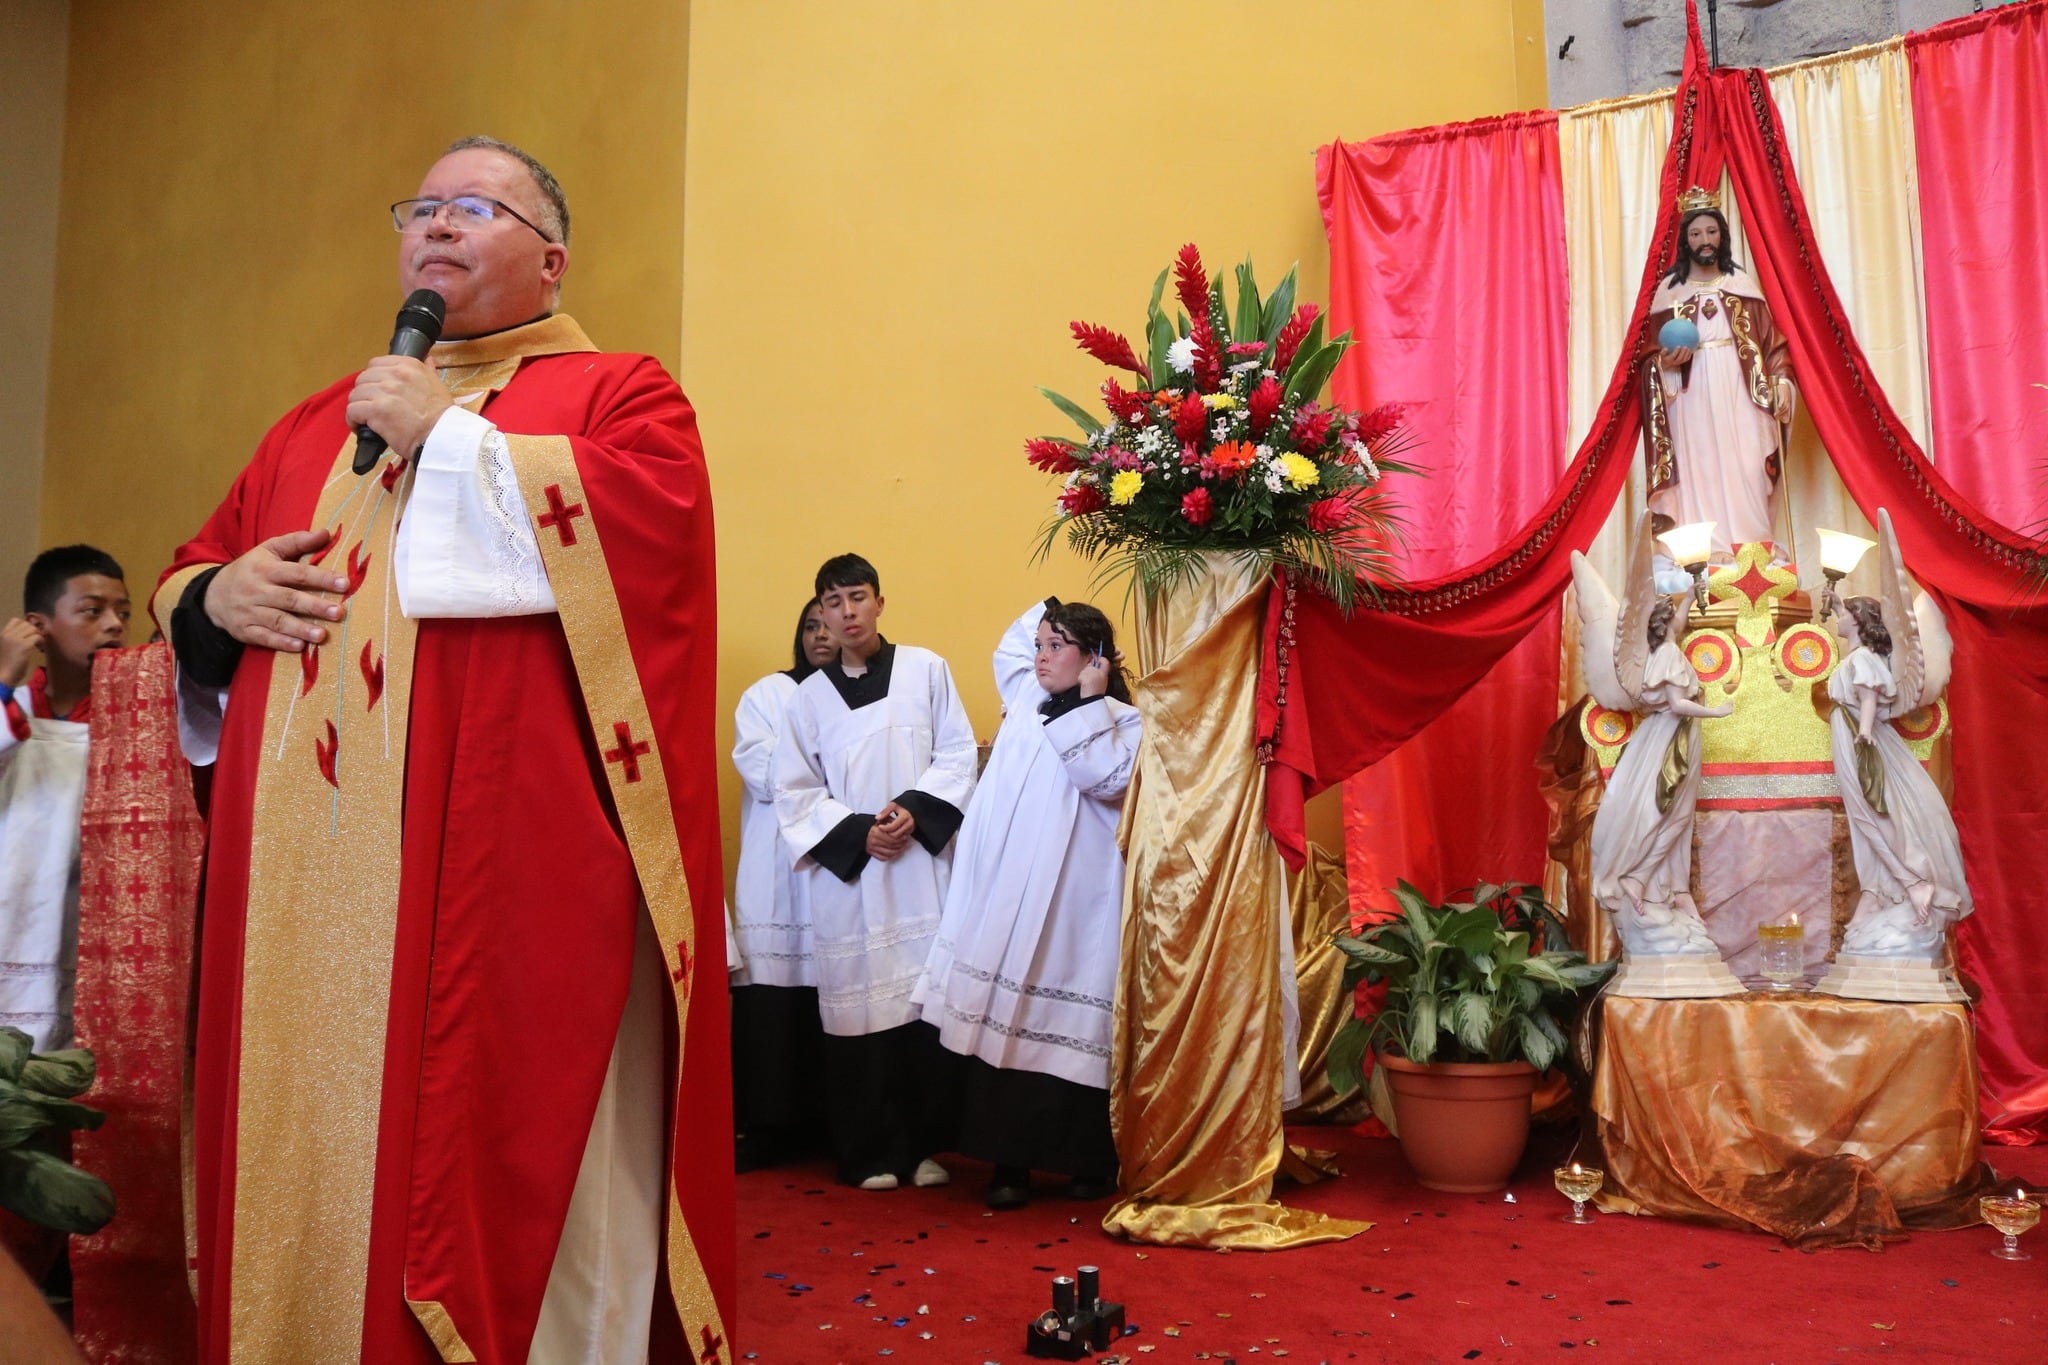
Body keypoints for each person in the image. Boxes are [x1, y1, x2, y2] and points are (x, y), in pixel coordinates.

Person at [153, 137, 729, 1364]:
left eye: (476, 206)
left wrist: (456, 440)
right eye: (421, 208)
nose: (438, 228)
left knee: (482, 1162)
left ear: (551, 258)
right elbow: (189, 575)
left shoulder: (619, 393)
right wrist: (213, 602)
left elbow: (658, 537)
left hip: (499, 880)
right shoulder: (312, 422)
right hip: (298, 903)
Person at [914, 598, 1139, 1209]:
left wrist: (1092, 698)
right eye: (1039, 646)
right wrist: (1053, 614)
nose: (1040, 657)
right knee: (1007, 1025)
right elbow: (1014, 638)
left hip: (1079, 904)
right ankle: (1008, 1164)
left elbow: (1106, 780)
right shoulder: (1024, 705)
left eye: (1057, 646)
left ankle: (1088, 1163)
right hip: (1015, 893)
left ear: (1094, 658)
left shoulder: (1124, 720)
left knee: (1074, 1028)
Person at [772, 554, 976, 1191]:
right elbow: (794, 790)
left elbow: (958, 754)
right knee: (860, 1017)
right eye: (833, 603)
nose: (847, 612)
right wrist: (862, 831)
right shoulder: (807, 698)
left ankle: (920, 1149)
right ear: (823, 616)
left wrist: (910, 814)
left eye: (857, 598)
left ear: (880, 602)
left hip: (916, 865)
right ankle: (866, 1152)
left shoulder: (926, 670)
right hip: (854, 878)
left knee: (918, 1010)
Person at [0, 546, 129, 1052]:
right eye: (92, 611)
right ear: (37, 625)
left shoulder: (136, 718)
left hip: (91, 922)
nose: (114, 625)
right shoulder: (13, 702)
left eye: (123, 612)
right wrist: (4, 682)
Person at [729, 597, 836, 1170]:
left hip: (832, 867)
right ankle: (769, 1126)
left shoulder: (858, 695)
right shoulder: (767, 695)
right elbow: (768, 776)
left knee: (833, 995)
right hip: (776, 871)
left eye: (829, 625)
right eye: (810, 625)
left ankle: (827, 1122)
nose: (821, 635)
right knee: (773, 1004)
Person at [1642, 188, 1798, 560]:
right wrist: (1665, 364)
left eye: (1711, 232)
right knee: (1701, 470)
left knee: (1746, 464)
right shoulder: (1669, 292)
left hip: (1742, 391)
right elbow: (1647, 355)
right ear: (1685, 241)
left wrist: (1782, 380)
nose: (1705, 240)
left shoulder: (1741, 286)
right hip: (1689, 396)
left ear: (1722, 236)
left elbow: (1772, 342)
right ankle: (1707, 556)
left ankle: (1752, 551)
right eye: (1696, 234)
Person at [1588, 596, 1734, 957]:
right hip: (1672, 738)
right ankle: (1639, 879)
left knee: (1673, 818)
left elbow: (1681, 618)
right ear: (1667, 623)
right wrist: (1717, 711)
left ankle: (1670, 888)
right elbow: (1678, 703)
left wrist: (1689, 588)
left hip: (1666, 736)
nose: (1682, 620)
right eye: (1677, 616)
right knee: (1669, 814)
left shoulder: (1664, 650)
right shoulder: (1669, 654)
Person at [1828, 596, 1973, 958]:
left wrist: (1863, 733)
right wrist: (1835, 602)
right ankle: (1877, 892)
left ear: (1858, 622)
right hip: (1851, 735)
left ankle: (1914, 883)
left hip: (1857, 738)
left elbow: (1868, 699)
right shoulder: (1861, 656)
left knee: (1871, 815)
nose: (1838, 620)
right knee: (1868, 818)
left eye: (1844, 614)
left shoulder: (1861, 659)